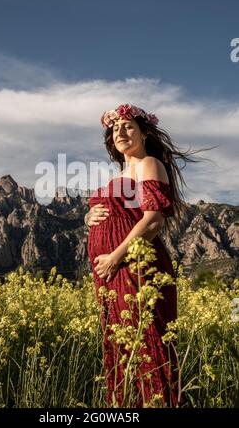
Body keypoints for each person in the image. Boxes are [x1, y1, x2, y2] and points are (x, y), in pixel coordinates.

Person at [85, 104, 216, 408]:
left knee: (148, 340)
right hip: (109, 271)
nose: (120, 131)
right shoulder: (119, 174)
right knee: (122, 344)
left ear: (144, 132)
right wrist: (89, 217)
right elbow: (115, 213)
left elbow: (153, 220)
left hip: (137, 266)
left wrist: (115, 257)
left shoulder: (149, 164)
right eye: (114, 127)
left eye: (128, 125)